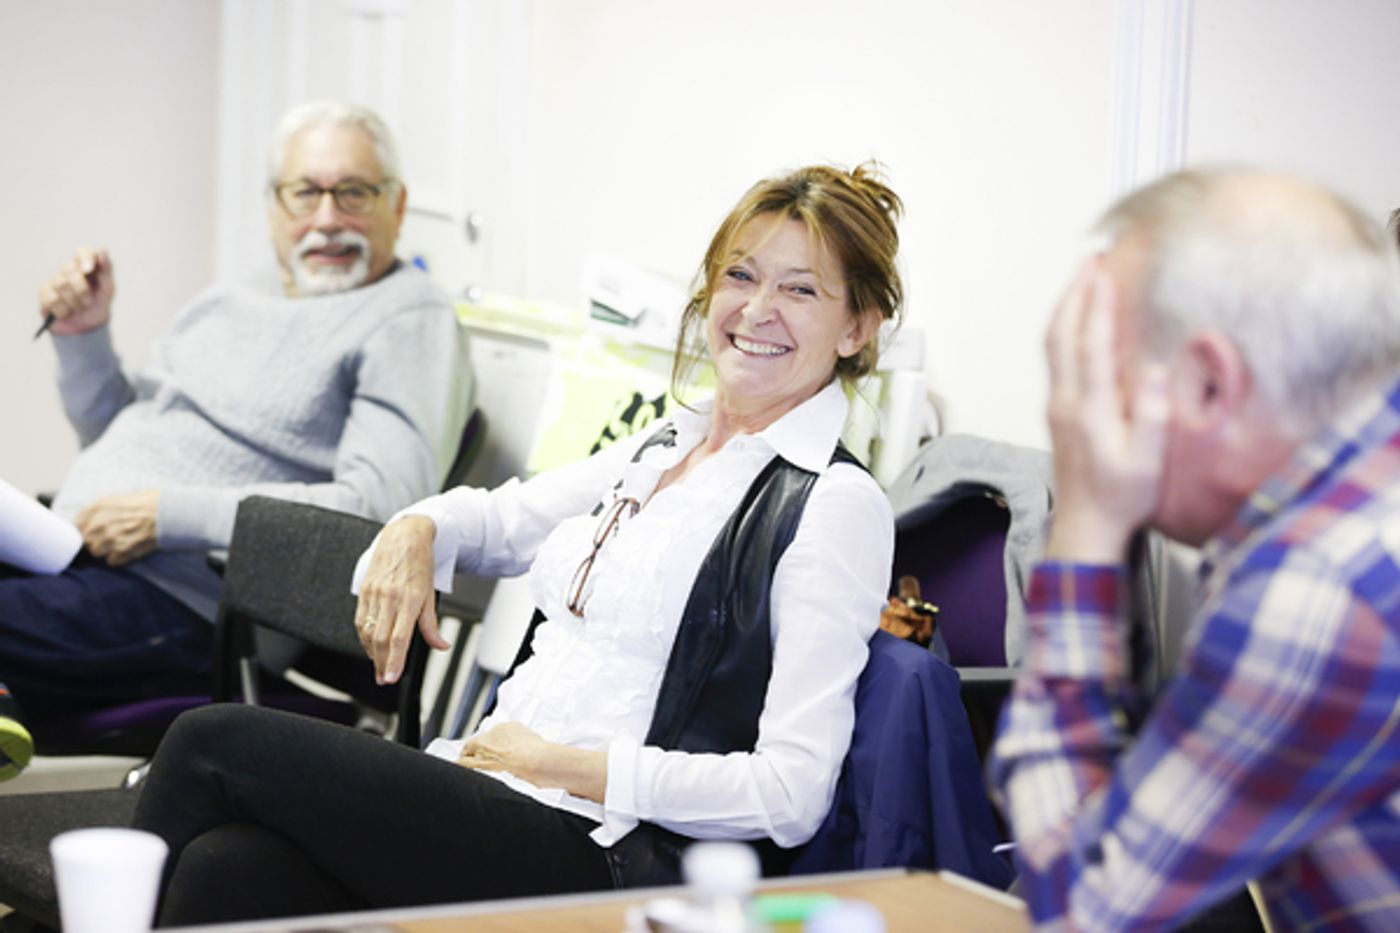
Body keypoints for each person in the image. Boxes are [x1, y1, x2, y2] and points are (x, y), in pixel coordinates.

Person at [129, 163, 902, 925]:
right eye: (741, 274)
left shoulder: (833, 504)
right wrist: (415, 527)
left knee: (211, 739)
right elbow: (500, 521)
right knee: (225, 868)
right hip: (497, 794)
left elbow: (792, 793)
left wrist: (561, 764)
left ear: (858, 327)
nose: (758, 308)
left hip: (599, 850)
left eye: (801, 289)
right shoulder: (666, 443)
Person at [0, 101, 472, 773]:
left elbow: (381, 510)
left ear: (397, 207)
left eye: (355, 192)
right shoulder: (230, 298)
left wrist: (170, 516)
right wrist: (83, 338)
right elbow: (121, 434)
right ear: (274, 206)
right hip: (77, 553)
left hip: (197, 605)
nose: (328, 217)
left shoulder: (409, 320)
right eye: (306, 192)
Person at [991, 168, 1400, 930]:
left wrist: (1082, 522)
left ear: (1210, 384)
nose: (1079, 415)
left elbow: (1084, 912)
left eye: (1096, 377)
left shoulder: (1318, 587)